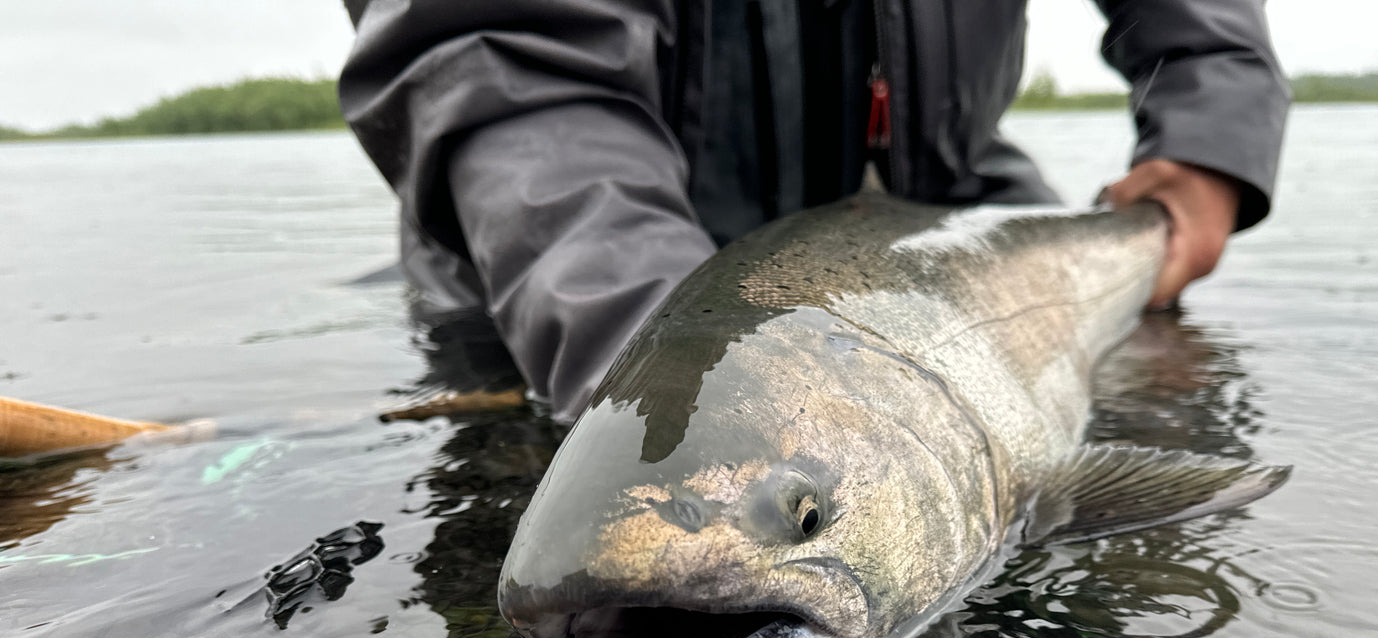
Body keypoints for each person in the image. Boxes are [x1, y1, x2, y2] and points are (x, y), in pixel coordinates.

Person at [338, 1, 1288, 424]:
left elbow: (1200, 28)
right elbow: (505, 52)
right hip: (573, 287)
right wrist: (677, 397)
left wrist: (1212, 142)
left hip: (944, 217)